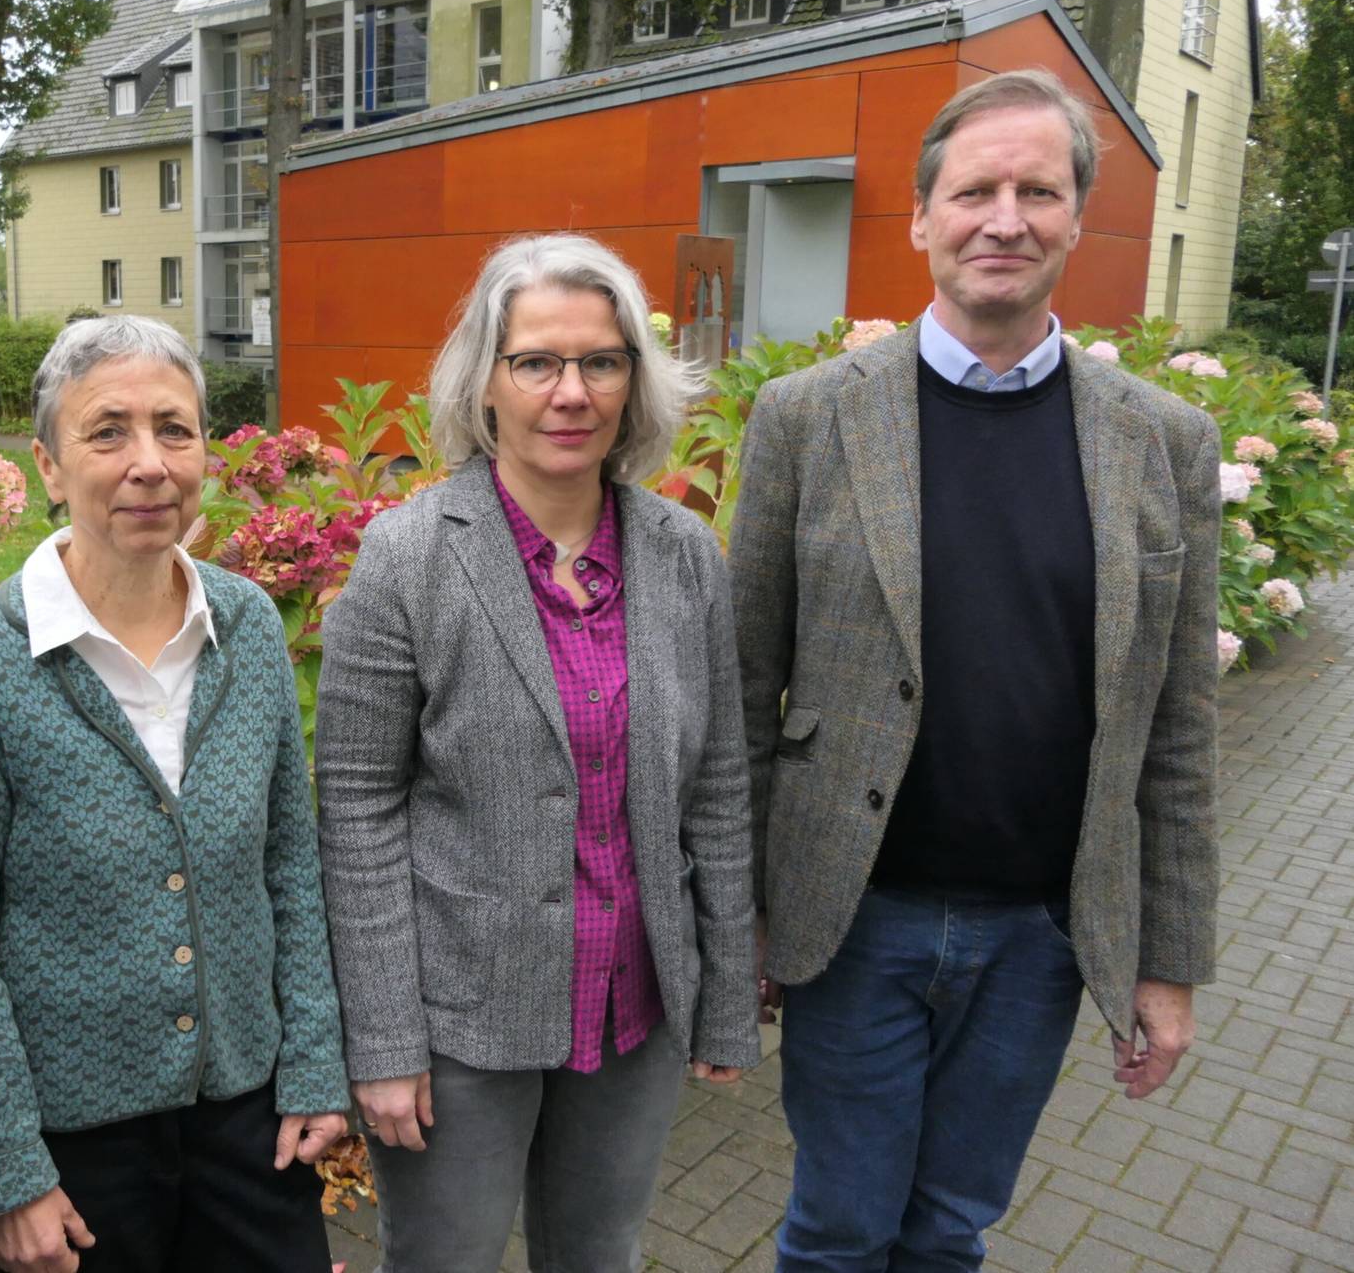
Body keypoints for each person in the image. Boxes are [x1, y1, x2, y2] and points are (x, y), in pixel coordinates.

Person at [730, 67, 1222, 1272]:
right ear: (920, 217)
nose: (1005, 218)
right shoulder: (806, 417)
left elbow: (1177, 728)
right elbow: (740, 692)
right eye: (974, 191)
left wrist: (1168, 965)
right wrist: (738, 917)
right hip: (855, 919)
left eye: (1037, 191)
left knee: (950, 1228)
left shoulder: (1164, 440)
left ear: (1076, 218)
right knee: (840, 1228)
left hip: (1041, 934)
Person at [315, 233, 759, 1273]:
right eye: (536, 362)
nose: (571, 392)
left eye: (601, 361)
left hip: (633, 1004)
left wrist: (727, 996)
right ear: (485, 380)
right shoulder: (409, 556)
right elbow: (357, 810)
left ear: (633, 379)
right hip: (460, 1017)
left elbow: (718, 786)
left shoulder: (683, 555)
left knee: (599, 1255)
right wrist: (383, 1038)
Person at [0, 315, 348, 1273]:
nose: (150, 463)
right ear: (49, 467)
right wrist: (4, 1168)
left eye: (174, 429)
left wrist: (313, 1061)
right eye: (108, 432)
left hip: (250, 1118)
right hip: (68, 1153)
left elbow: (289, 862)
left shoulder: (247, 624)